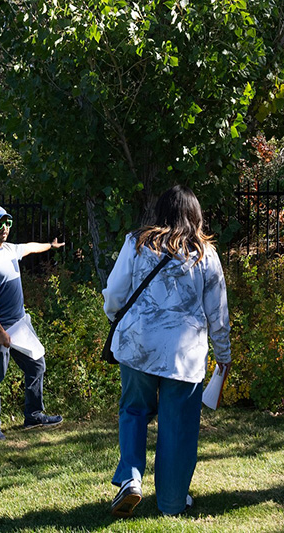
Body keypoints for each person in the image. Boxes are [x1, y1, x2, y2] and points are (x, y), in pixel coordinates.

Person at [102, 185, 232, 518]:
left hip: (137, 346)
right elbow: (218, 313)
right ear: (196, 215)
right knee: (179, 427)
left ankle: (131, 478)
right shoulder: (205, 254)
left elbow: (116, 293)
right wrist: (223, 354)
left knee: (133, 411)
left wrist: (115, 315)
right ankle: (173, 503)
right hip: (185, 355)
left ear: (160, 212)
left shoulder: (137, 242)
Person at [0, 205, 65, 441]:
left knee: (36, 365)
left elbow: (30, 248)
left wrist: (50, 246)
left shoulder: (10, 249)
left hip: (20, 324)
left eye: (7, 223)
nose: (4, 229)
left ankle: (33, 415)